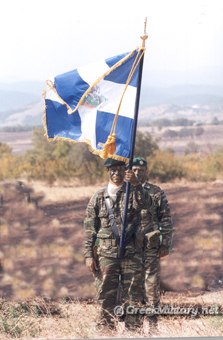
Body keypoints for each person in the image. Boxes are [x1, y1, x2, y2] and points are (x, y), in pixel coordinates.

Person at [84, 157, 150, 330]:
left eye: (120, 169)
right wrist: (88, 255)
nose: (116, 173)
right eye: (112, 170)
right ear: (108, 172)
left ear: (125, 171)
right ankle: (106, 330)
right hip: (106, 255)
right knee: (106, 295)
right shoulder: (98, 196)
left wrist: (136, 184)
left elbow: (147, 204)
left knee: (133, 295)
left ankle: (133, 331)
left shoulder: (133, 192)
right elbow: (90, 228)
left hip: (131, 253)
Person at [132, 157, 173, 327]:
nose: (137, 173)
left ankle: (153, 321)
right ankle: (134, 322)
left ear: (146, 171)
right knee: (133, 283)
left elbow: (166, 219)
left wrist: (166, 244)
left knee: (151, 283)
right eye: (134, 170)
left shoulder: (156, 192)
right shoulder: (125, 191)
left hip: (151, 245)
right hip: (130, 246)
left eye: (140, 170)